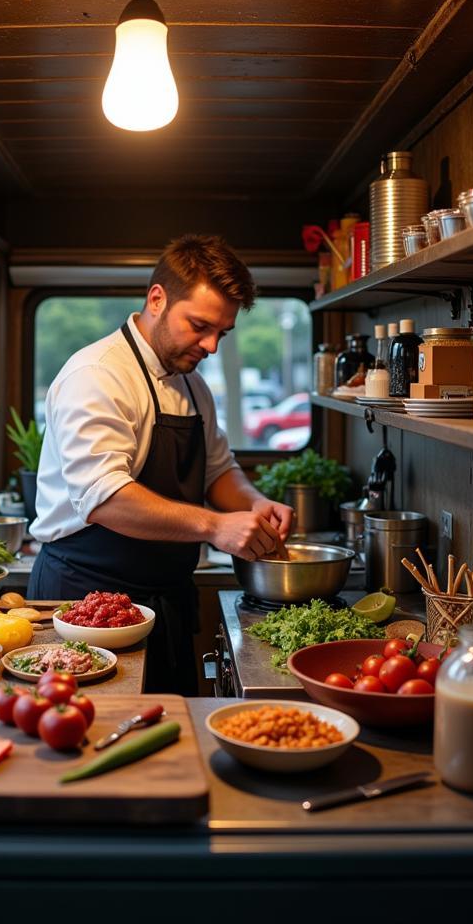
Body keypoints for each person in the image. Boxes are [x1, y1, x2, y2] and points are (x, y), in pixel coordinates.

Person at [27, 235, 294, 695]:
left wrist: (254, 506)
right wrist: (215, 527)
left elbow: (218, 471)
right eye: (199, 325)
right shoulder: (97, 376)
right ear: (157, 299)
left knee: (167, 742)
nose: (210, 345)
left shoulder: (193, 386)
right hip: (84, 603)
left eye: (222, 333)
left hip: (164, 601)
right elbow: (104, 498)